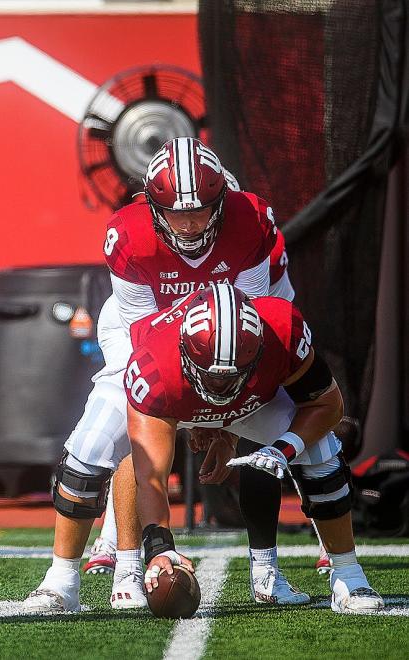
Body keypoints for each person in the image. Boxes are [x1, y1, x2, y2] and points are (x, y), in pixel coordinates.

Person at [22, 137, 295, 614]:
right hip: (144, 342)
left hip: (227, 354)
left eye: (203, 211)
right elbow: (142, 344)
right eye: (175, 212)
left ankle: (339, 572)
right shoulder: (129, 235)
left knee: (316, 442)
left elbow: (254, 321)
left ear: (224, 204)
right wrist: (186, 409)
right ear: (151, 205)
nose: (189, 225)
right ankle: (65, 579)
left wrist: (221, 420)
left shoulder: (250, 222)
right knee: (91, 450)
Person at [125, 283, 383, 614]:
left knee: (320, 450)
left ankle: (348, 575)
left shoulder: (281, 329)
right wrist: (161, 548)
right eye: (214, 377)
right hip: (180, 397)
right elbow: (152, 478)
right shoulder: (154, 367)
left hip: (256, 399)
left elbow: (328, 405)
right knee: (111, 451)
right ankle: (123, 569)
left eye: (232, 375)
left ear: (258, 347)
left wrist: (282, 449)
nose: (222, 387)